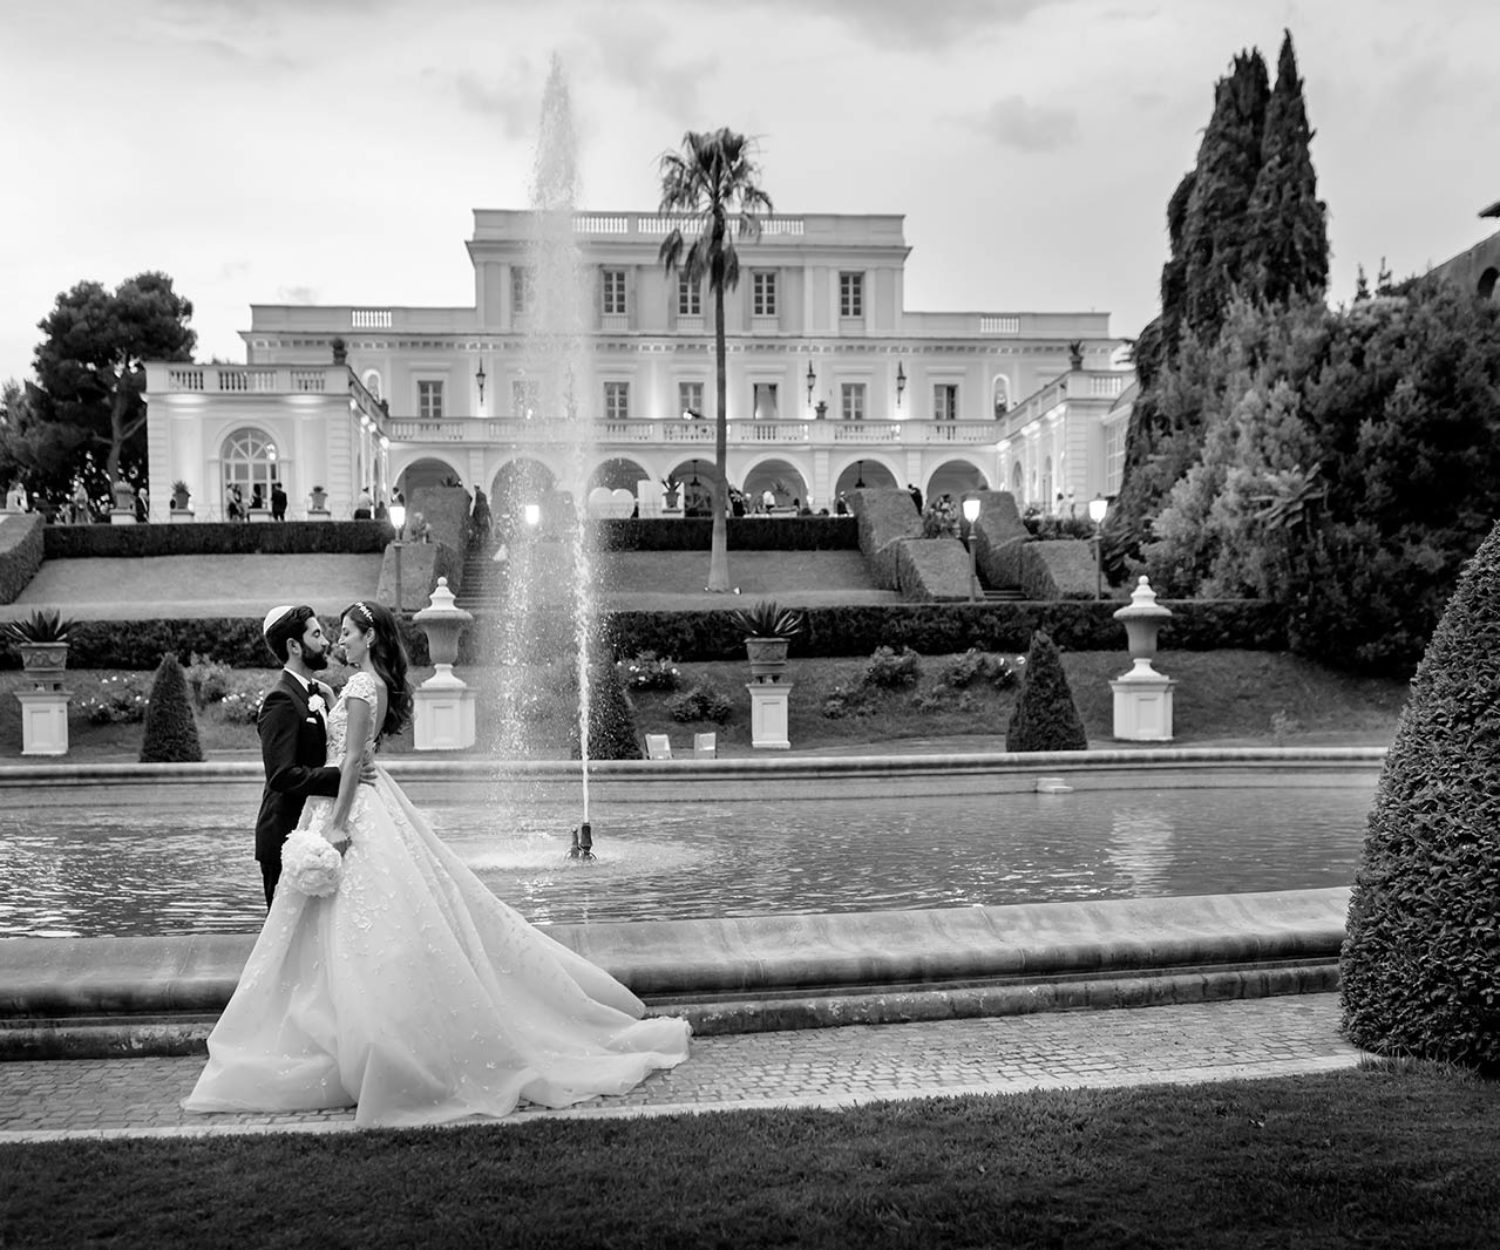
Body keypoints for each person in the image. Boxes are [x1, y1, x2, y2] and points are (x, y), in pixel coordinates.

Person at [185, 602, 691, 1128]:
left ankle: (360, 1042)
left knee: (360, 929)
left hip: (345, 809)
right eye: (327, 633)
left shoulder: (357, 688)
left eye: (344, 632)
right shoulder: (352, 686)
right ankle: (340, 1036)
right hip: (345, 804)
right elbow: (333, 759)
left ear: (368, 636)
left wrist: (335, 825)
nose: (335, 640)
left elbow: (354, 758)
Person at [252, 606, 342, 908]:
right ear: (294, 646)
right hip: (286, 839)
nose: (326, 641)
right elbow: (281, 775)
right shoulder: (282, 700)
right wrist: (341, 777)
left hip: (314, 832)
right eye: (316, 635)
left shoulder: (315, 693)